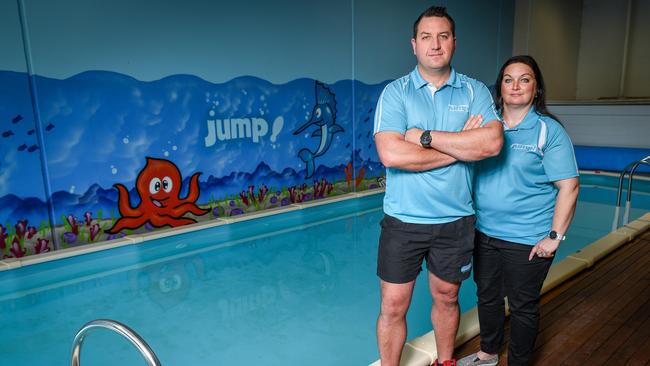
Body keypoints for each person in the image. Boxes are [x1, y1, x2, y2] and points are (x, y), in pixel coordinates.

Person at [373, 6, 504, 366]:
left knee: (447, 296)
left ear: (454, 43)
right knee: (393, 305)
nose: (435, 44)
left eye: (443, 36)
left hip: (455, 219)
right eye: (427, 37)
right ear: (414, 45)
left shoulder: (475, 91)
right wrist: (459, 147)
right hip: (403, 220)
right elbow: (391, 154)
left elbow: (491, 144)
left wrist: (425, 138)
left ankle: (445, 362)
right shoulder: (396, 93)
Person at [457, 55, 580, 366]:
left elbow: (569, 186)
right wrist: (464, 136)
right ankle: (487, 353)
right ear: (500, 87)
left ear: (536, 87)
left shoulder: (547, 131)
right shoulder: (487, 125)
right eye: (508, 79)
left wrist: (554, 237)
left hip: (527, 238)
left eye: (524, 79)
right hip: (484, 233)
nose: (515, 86)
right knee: (487, 297)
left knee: (523, 305)